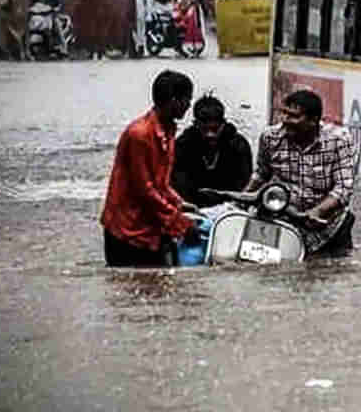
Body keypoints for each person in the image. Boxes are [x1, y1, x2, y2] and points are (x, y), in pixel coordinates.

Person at [100, 70, 198, 266]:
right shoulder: (140, 135)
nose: (189, 105)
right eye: (187, 99)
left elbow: (161, 183)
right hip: (128, 231)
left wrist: (179, 203)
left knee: (159, 288)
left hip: (152, 227)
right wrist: (179, 222)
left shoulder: (167, 129)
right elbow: (144, 189)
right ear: (173, 100)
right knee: (132, 289)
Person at [246, 89, 355, 256]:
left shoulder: (338, 139)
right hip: (282, 219)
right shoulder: (270, 137)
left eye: (294, 116)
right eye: (284, 114)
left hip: (329, 226)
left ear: (313, 120)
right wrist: (241, 200)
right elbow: (261, 174)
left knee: (332, 271)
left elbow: (343, 188)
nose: (285, 121)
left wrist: (316, 212)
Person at [172, 93, 254, 207]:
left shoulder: (238, 145)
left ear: (223, 124)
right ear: (196, 125)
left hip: (230, 208)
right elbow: (179, 185)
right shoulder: (183, 145)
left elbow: (243, 184)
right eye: (205, 129)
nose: (210, 134)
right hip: (192, 206)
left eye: (215, 129)